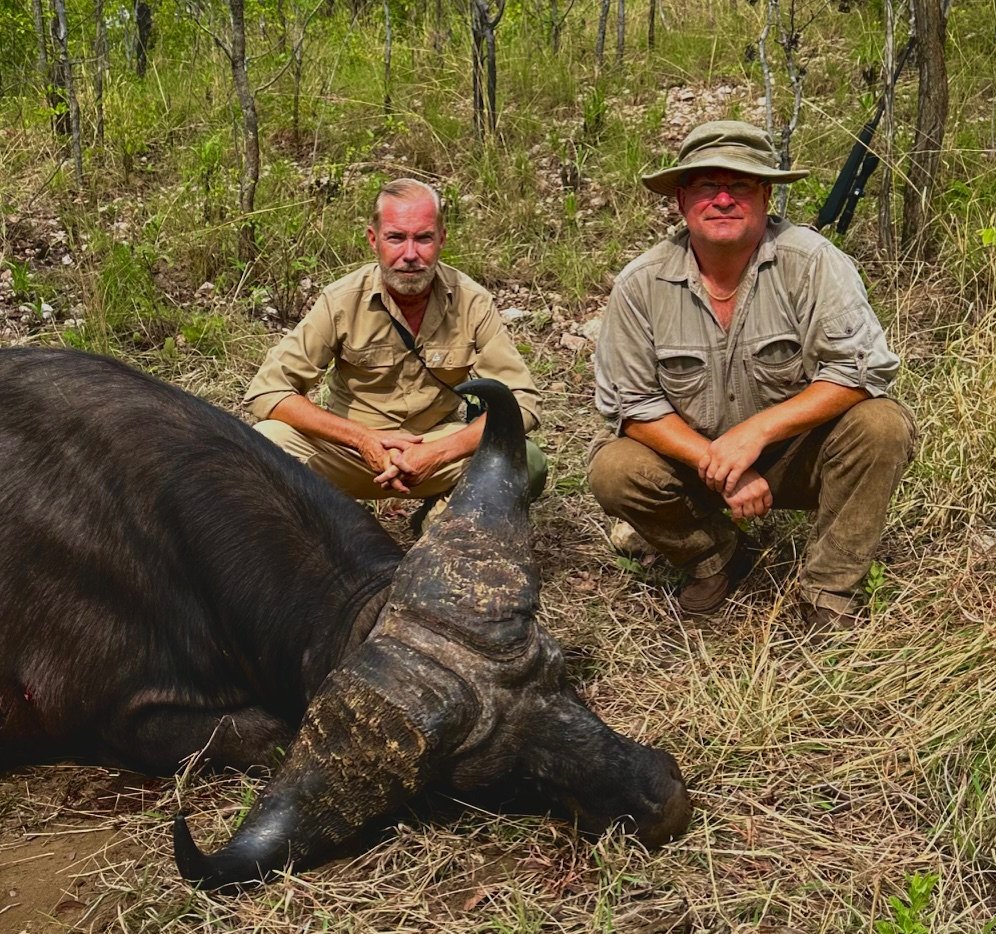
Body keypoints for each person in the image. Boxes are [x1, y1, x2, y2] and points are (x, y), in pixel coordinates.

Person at [588, 119, 914, 631]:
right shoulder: (641, 283)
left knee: (882, 424)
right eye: (705, 185)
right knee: (615, 468)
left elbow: (859, 369)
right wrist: (722, 462)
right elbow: (632, 405)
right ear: (681, 200)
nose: (723, 199)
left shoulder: (811, 262)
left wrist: (755, 433)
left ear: (765, 195)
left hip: (796, 455)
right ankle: (714, 556)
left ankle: (829, 590)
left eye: (739, 184)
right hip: (697, 466)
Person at [243, 178, 546, 520]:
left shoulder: (472, 301)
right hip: (350, 452)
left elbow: (522, 402)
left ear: (442, 239)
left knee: (525, 462)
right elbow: (268, 391)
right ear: (374, 240)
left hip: (435, 450)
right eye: (396, 238)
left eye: (424, 238)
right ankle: (320, 527)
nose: (410, 254)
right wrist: (362, 439)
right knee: (266, 443)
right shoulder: (341, 300)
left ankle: (442, 524)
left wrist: (436, 452)